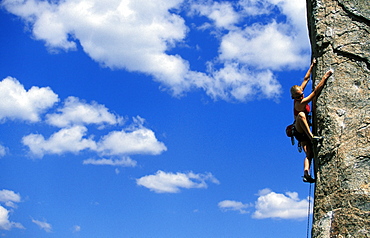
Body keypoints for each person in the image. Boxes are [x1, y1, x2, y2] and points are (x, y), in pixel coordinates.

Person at [290, 58, 333, 183]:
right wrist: (325, 76)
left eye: (301, 94)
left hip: (304, 130)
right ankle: (312, 136)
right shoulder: (300, 102)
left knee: (309, 155)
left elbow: (306, 79)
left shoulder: (300, 93)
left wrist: (312, 66)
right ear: (294, 97)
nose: (301, 96)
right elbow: (315, 92)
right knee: (301, 114)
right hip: (300, 130)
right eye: (298, 96)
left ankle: (306, 173)